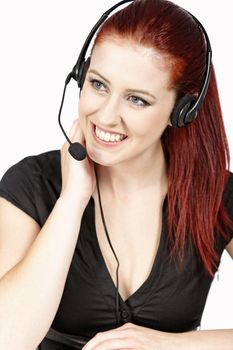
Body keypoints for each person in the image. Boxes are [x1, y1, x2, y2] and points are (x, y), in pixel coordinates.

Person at [0, 0, 232, 349]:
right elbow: (8, 338)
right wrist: (72, 200)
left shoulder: (217, 194)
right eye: (98, 84)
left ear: (183, 109)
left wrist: (164, 345)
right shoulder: (32, 184)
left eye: (136, 100)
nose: (106, 116)